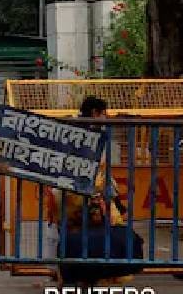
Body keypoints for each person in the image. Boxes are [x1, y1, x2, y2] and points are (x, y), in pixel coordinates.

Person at [54, 95, 145, 286]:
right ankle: (85, 276)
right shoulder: (86, 133)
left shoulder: (75, 129)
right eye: (104, 113)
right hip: (82, 191)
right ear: (95, 112)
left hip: (73, 191)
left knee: (77, 234)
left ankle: (74, 277)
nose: (106, 117)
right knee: (93, 232)